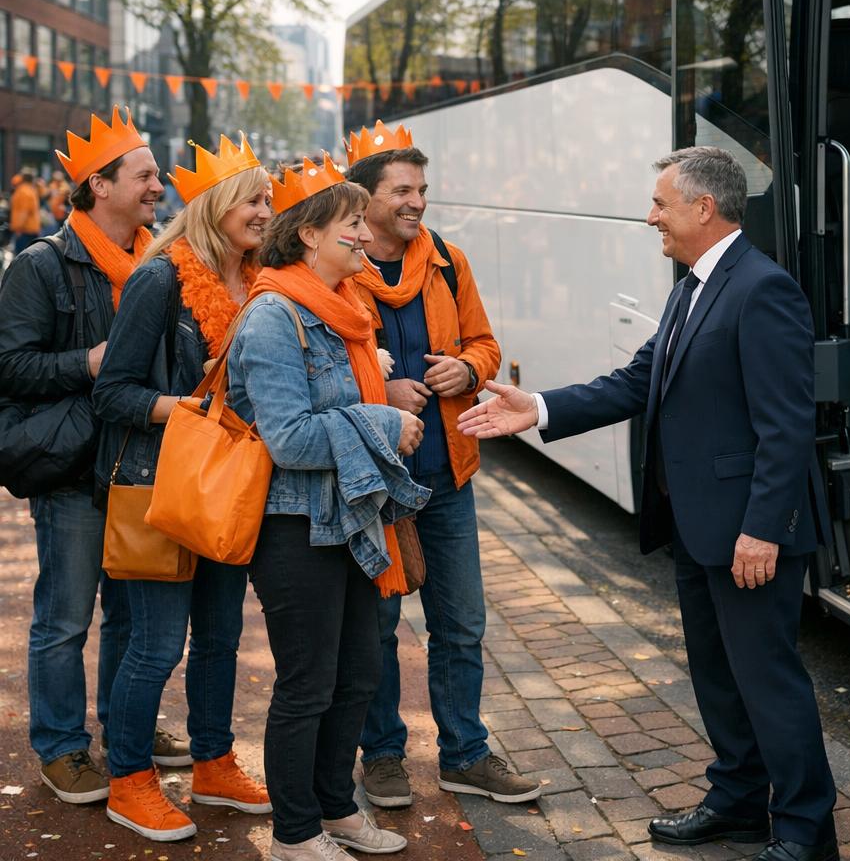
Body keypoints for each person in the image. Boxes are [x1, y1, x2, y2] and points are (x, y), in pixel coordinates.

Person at [458, 146, 839, 861]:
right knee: (719, 680)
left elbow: (786, 427)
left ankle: (804, 834)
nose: (650, 216)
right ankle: (737, 805)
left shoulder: (764, 290)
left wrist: (762, 531)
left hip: (748, 534)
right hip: (700, 528)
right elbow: (639, 380)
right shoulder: (694, 284)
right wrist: (536, 407)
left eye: (661, 204)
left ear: (704, 208)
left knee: (769, 684)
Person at [229, 154, 427, 861]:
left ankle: (336, 810)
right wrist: (381, 423)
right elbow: (287, 439)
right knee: (308, 682)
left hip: (351, 516)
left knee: (357, 677)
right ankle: (293, 833)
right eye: (352, 226)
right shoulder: (274, 316)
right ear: (308, 234)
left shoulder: (346, 315)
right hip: (295, 527)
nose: (366, 239)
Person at [345, 120, 539, 806]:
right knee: (375, 629)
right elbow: (319, 373)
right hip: (373, 487)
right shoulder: (338, 268)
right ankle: (384, 757)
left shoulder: (449, 261)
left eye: (421, 189)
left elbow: (486, 344)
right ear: (363, 198)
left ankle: (464, 753)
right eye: (402, 190)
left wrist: (468, 368)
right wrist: (380, 392)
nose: (416, 202)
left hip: (447, 477)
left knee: (461, 625)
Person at [0, 107, 188, 804]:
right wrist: (91, 362)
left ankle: (123, 729)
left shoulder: (159, 261)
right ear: (97, 186)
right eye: (142, 175)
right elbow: (8, 367)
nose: (156, 185)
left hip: (137, 466)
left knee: (131, 617)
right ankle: (61, 747)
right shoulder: (40, 266)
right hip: (75, 469)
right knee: (66, 615)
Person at [92, 133, 275, 841]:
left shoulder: (262, 279)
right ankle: (129, 780)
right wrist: (192, 411)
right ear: (219, 204)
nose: (266, 211)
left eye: (266, 199)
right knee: (156, 645)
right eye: (255, 199)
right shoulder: (159, 279)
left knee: (222, 636)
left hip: (231, 484)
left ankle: (213, 762)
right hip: (162, 484)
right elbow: (114, 393)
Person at [9, 168, 42, 253]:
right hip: (31, 229)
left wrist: (18, 229)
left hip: (25, 231)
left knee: (21, 259)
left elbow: (23, 212)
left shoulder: (23, 192)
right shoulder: (30, 190)